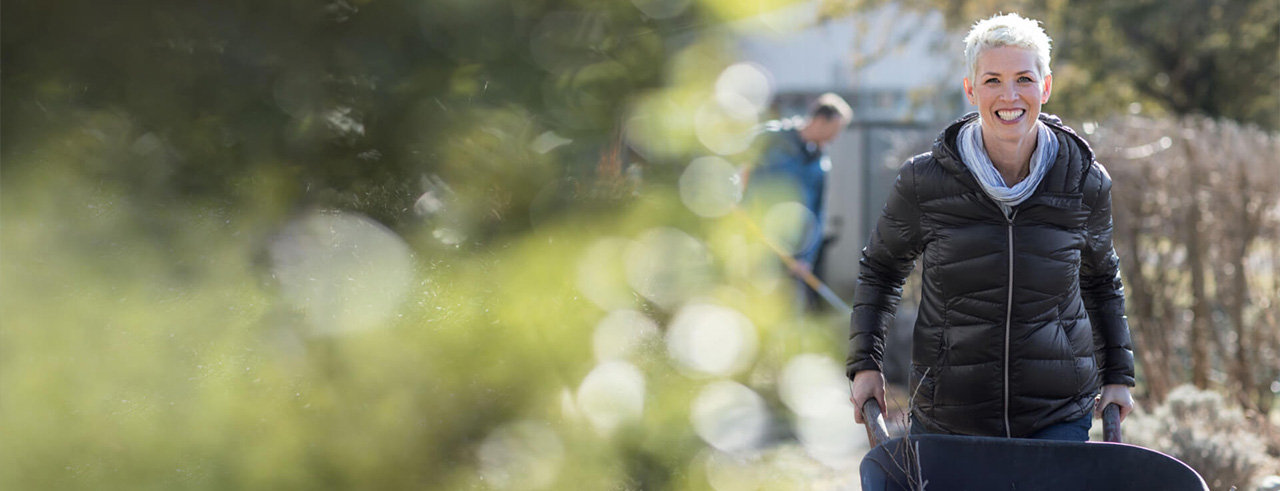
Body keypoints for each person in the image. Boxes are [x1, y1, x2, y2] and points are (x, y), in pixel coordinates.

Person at [846, 13, 1135, 441]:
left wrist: (1117, 375)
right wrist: (865, 365)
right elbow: (881, 269)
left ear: (1046, 87)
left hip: (1056, 416)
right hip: (949, 416)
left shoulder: (1083, 181)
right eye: (993, 80)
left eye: (1024, 79)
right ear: (971, 90)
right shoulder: (926, 181)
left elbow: (1102, 280)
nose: (1009, 95)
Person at [747, 93, 853, 309]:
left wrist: (806, 259)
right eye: (834, 130)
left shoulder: (820, 165)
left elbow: (818, 213)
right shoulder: (772, 139)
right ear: (819, 120)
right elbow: (742, 173)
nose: (834, 139)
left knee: (789, 312)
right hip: (756, 244)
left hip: (793, 257)